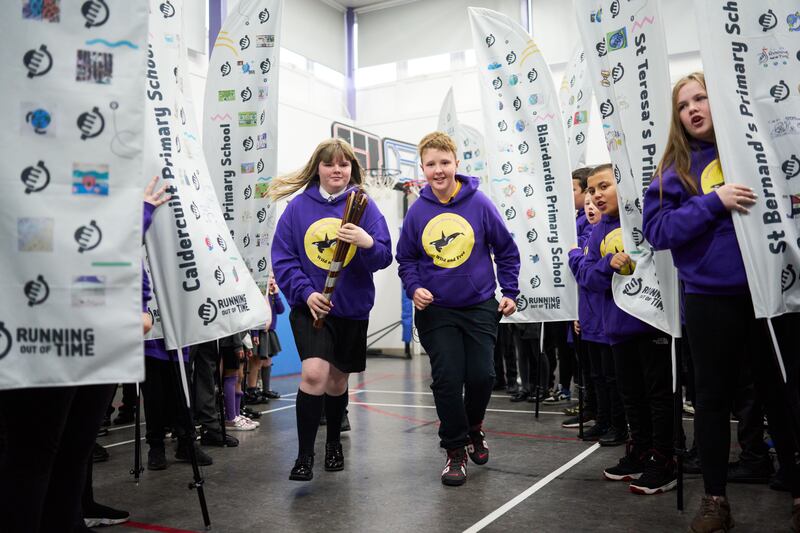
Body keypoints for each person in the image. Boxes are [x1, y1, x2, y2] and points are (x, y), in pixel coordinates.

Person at [642, 71, 800, 531]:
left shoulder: (757, 151)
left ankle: (796, 489)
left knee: (784, 395)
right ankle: (715, 500)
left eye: (701, 98)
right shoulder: (675, 169)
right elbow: (657, 231)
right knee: (711, 402)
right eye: (683, 105)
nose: (693, 109)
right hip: (710, 300)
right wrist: (713, 202)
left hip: (769, 293)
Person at [396, 131, 520, 486]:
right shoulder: (418, 210)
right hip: (437, 311)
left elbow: (506, 249)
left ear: (456, 164)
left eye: (444, 163)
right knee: (448, 379)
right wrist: (415, 286)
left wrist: (509, 289)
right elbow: (406, 258)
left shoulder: (479, 204)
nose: (438, 170)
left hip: (480, 304)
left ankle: (474, 427)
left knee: (482, 376)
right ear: (422, 168)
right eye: (431, 164)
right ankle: (454, 450)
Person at [270, 138, 392, 481]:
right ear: (318, 169)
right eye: (329, 164)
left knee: (337, 382)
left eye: (343, 164)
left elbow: (383, 255)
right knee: (314, 374)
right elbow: (283, 258)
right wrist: (306, 294)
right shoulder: (297, 208)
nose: (336, 170)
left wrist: (366, 242)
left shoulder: (364, 206)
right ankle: (304, 455)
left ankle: (333, 444)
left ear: (352, 168)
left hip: (351, 310)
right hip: (311, 309)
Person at [578, 164, 675, 495]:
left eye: (603, 186)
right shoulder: (597, 230)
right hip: (616, 327)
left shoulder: (646, 219)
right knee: (631, 395)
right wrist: (608, 264)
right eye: (591, 190)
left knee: (658, 395)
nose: (596, 195)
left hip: (650, 322)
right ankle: (639, 451)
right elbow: (588, 278)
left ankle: (664, 459)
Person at [566, 192, 626, 444]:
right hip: (589, 318)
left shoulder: (611, 237)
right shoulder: (588, 237)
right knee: (596, 375)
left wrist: (575, 256)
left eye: (595, 204)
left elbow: (586, 272)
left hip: (607, 318)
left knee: (612, 378)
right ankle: (602, 420)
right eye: (587, 203)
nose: (591, 207)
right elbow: (582, 279)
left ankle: (617, 424)